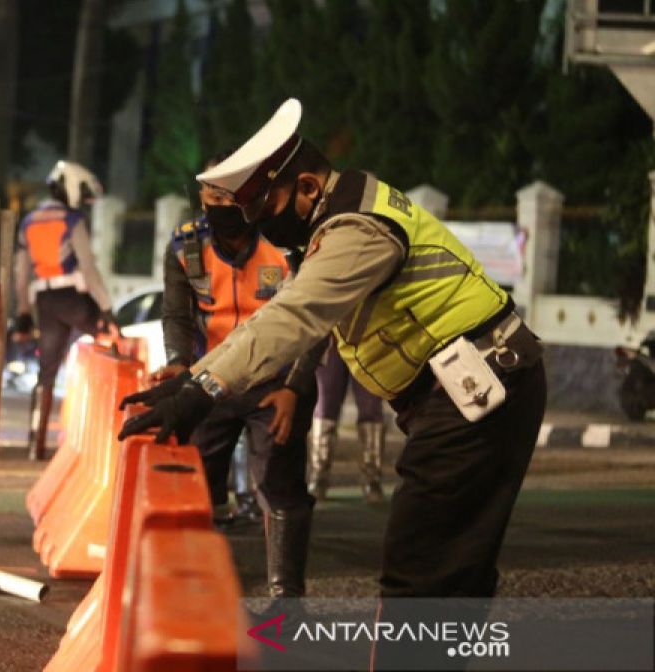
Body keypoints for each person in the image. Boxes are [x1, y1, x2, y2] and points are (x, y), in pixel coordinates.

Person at [119, 98, 546, 606]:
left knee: (420, 575)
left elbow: (294, 317)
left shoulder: (356, 229)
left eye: (266, 209)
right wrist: (195, 378)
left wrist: (201, 388)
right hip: (467, 387)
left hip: (478, 389)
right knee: (452, 572)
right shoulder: (338, 218)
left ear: (306, 186)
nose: (262, 226)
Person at [151, 149, 320, 596]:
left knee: (278, 487)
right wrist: (177, 363)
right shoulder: (185, 246)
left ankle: (287, 600)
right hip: (214, 382)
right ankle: (204, 589)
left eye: (231, 191)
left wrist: (293, 390)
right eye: (211, 190)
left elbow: (315, 322)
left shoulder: (286, 245)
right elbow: (178, 316)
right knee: (199, 485)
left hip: (276, 383)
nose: (220, 201)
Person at [10, 160, 118, 461]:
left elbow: (20, 274)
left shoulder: (29, 221)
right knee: (112, 350)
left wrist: (22, 311)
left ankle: (36, 442)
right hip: (75, 299)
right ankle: (107, 435)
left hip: (45, 303)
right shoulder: (71, 220)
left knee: (46, 374)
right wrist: (107, 310)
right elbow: (89, 268)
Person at [310, 336, 388, 504]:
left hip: (366, 339)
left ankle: (372, 478)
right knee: (324, 407)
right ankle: (319, 475)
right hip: (331, 338)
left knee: (371, 408)